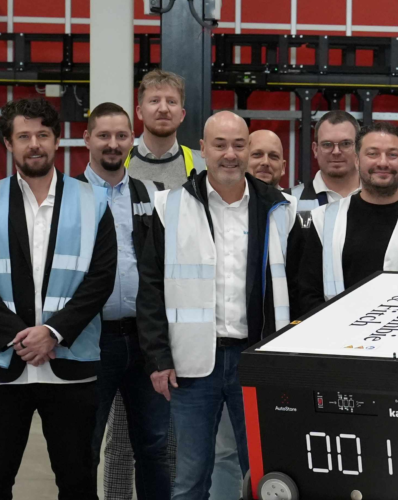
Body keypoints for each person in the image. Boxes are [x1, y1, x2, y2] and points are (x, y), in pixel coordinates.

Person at [0, 97, 117, 500]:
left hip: (71, 363)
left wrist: (53, 333)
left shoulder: (93, 201)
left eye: (42, 135)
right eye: (23, 136)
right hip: (2, 365)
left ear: (57, 140)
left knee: (78, 482)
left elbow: (100, 279)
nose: (34, 144)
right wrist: (20, 337)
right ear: (8, 144)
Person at [137, 111, 297, 500]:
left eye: (239, 145)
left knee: (265, 475)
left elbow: (295, 289)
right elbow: (152, 289)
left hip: (256, 361)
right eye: (220, 145)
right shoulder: (168, 207)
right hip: (192, 366)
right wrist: (158, 358)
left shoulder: (281, 209)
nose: (230, 154)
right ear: (203, 149)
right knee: (190, 479)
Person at [73, 103, 175, 500]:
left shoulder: (153, 195)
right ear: (86, 139)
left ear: (132, 140)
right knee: (85, 446)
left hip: (145, 339)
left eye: (121, 136)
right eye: (103, 135)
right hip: (88, 339)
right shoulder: (67, 197)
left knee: (154, 446)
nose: (113, 144)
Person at [288, 121, 398, 315]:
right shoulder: (323, 220)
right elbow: (309, 293)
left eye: (392, 154)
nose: (383, 162)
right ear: (357, 160)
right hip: (337, 338)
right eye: (373, 154)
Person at [129, 70, 207, 188]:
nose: (164, 109)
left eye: (171, 102)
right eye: (154, 101)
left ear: (182, 115)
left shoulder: (203, 166)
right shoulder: (120, 164)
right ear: (140, 112)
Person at [292, 110, 363, 212]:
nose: (336, 152)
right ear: (315, 149)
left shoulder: (381, 198)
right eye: (327, 144)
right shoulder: (290, 202)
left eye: (346, 143)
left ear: (359, 148)